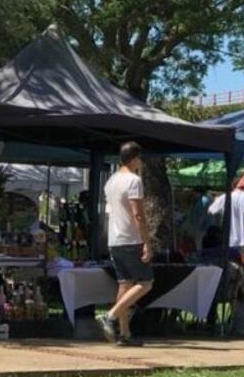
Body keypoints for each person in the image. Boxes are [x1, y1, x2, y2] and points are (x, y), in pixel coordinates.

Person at [97, 141, 152, 346]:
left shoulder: (110, 181)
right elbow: (138, 214)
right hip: (131, 239)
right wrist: (146, 242)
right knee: (145, 283)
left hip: (114, 239)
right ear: (135, 158)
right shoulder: (134, 180)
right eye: (140, 159)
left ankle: (124, 334)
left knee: (125, 283)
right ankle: (110, 316)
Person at [208, 182, 244, 250]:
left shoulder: (225, 197)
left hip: (230, 241)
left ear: (233, 186)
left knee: (232, 260)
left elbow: (210, 211)